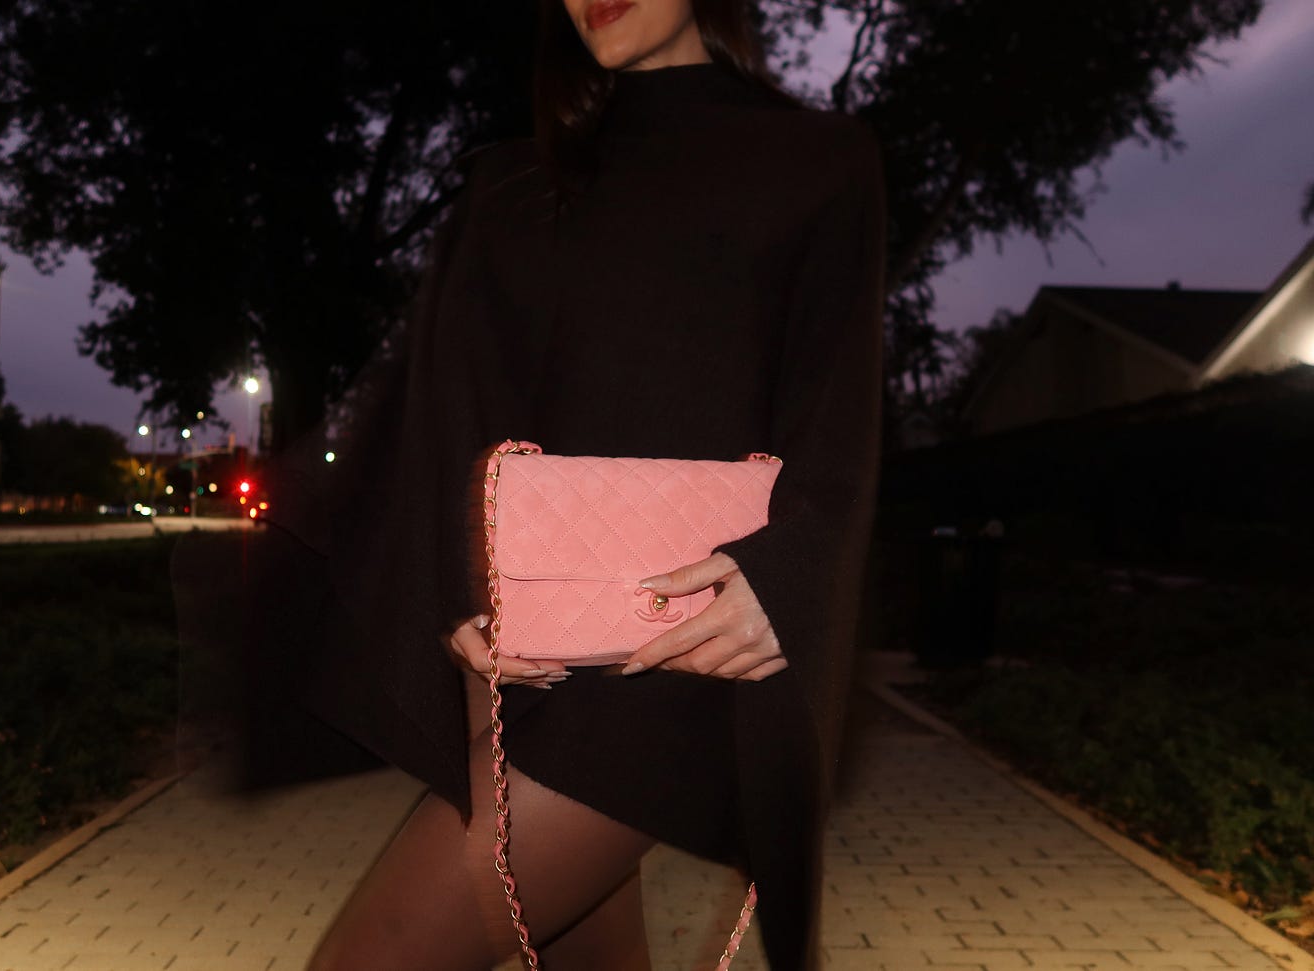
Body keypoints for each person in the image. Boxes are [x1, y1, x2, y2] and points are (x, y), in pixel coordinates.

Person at [194, 1, 887, 968]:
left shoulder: (816, 160)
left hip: (683, 654)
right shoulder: (512, 182)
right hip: (526, 657)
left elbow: (840, 410)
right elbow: (447, 406)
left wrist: (792, 578)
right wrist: (453, 591)